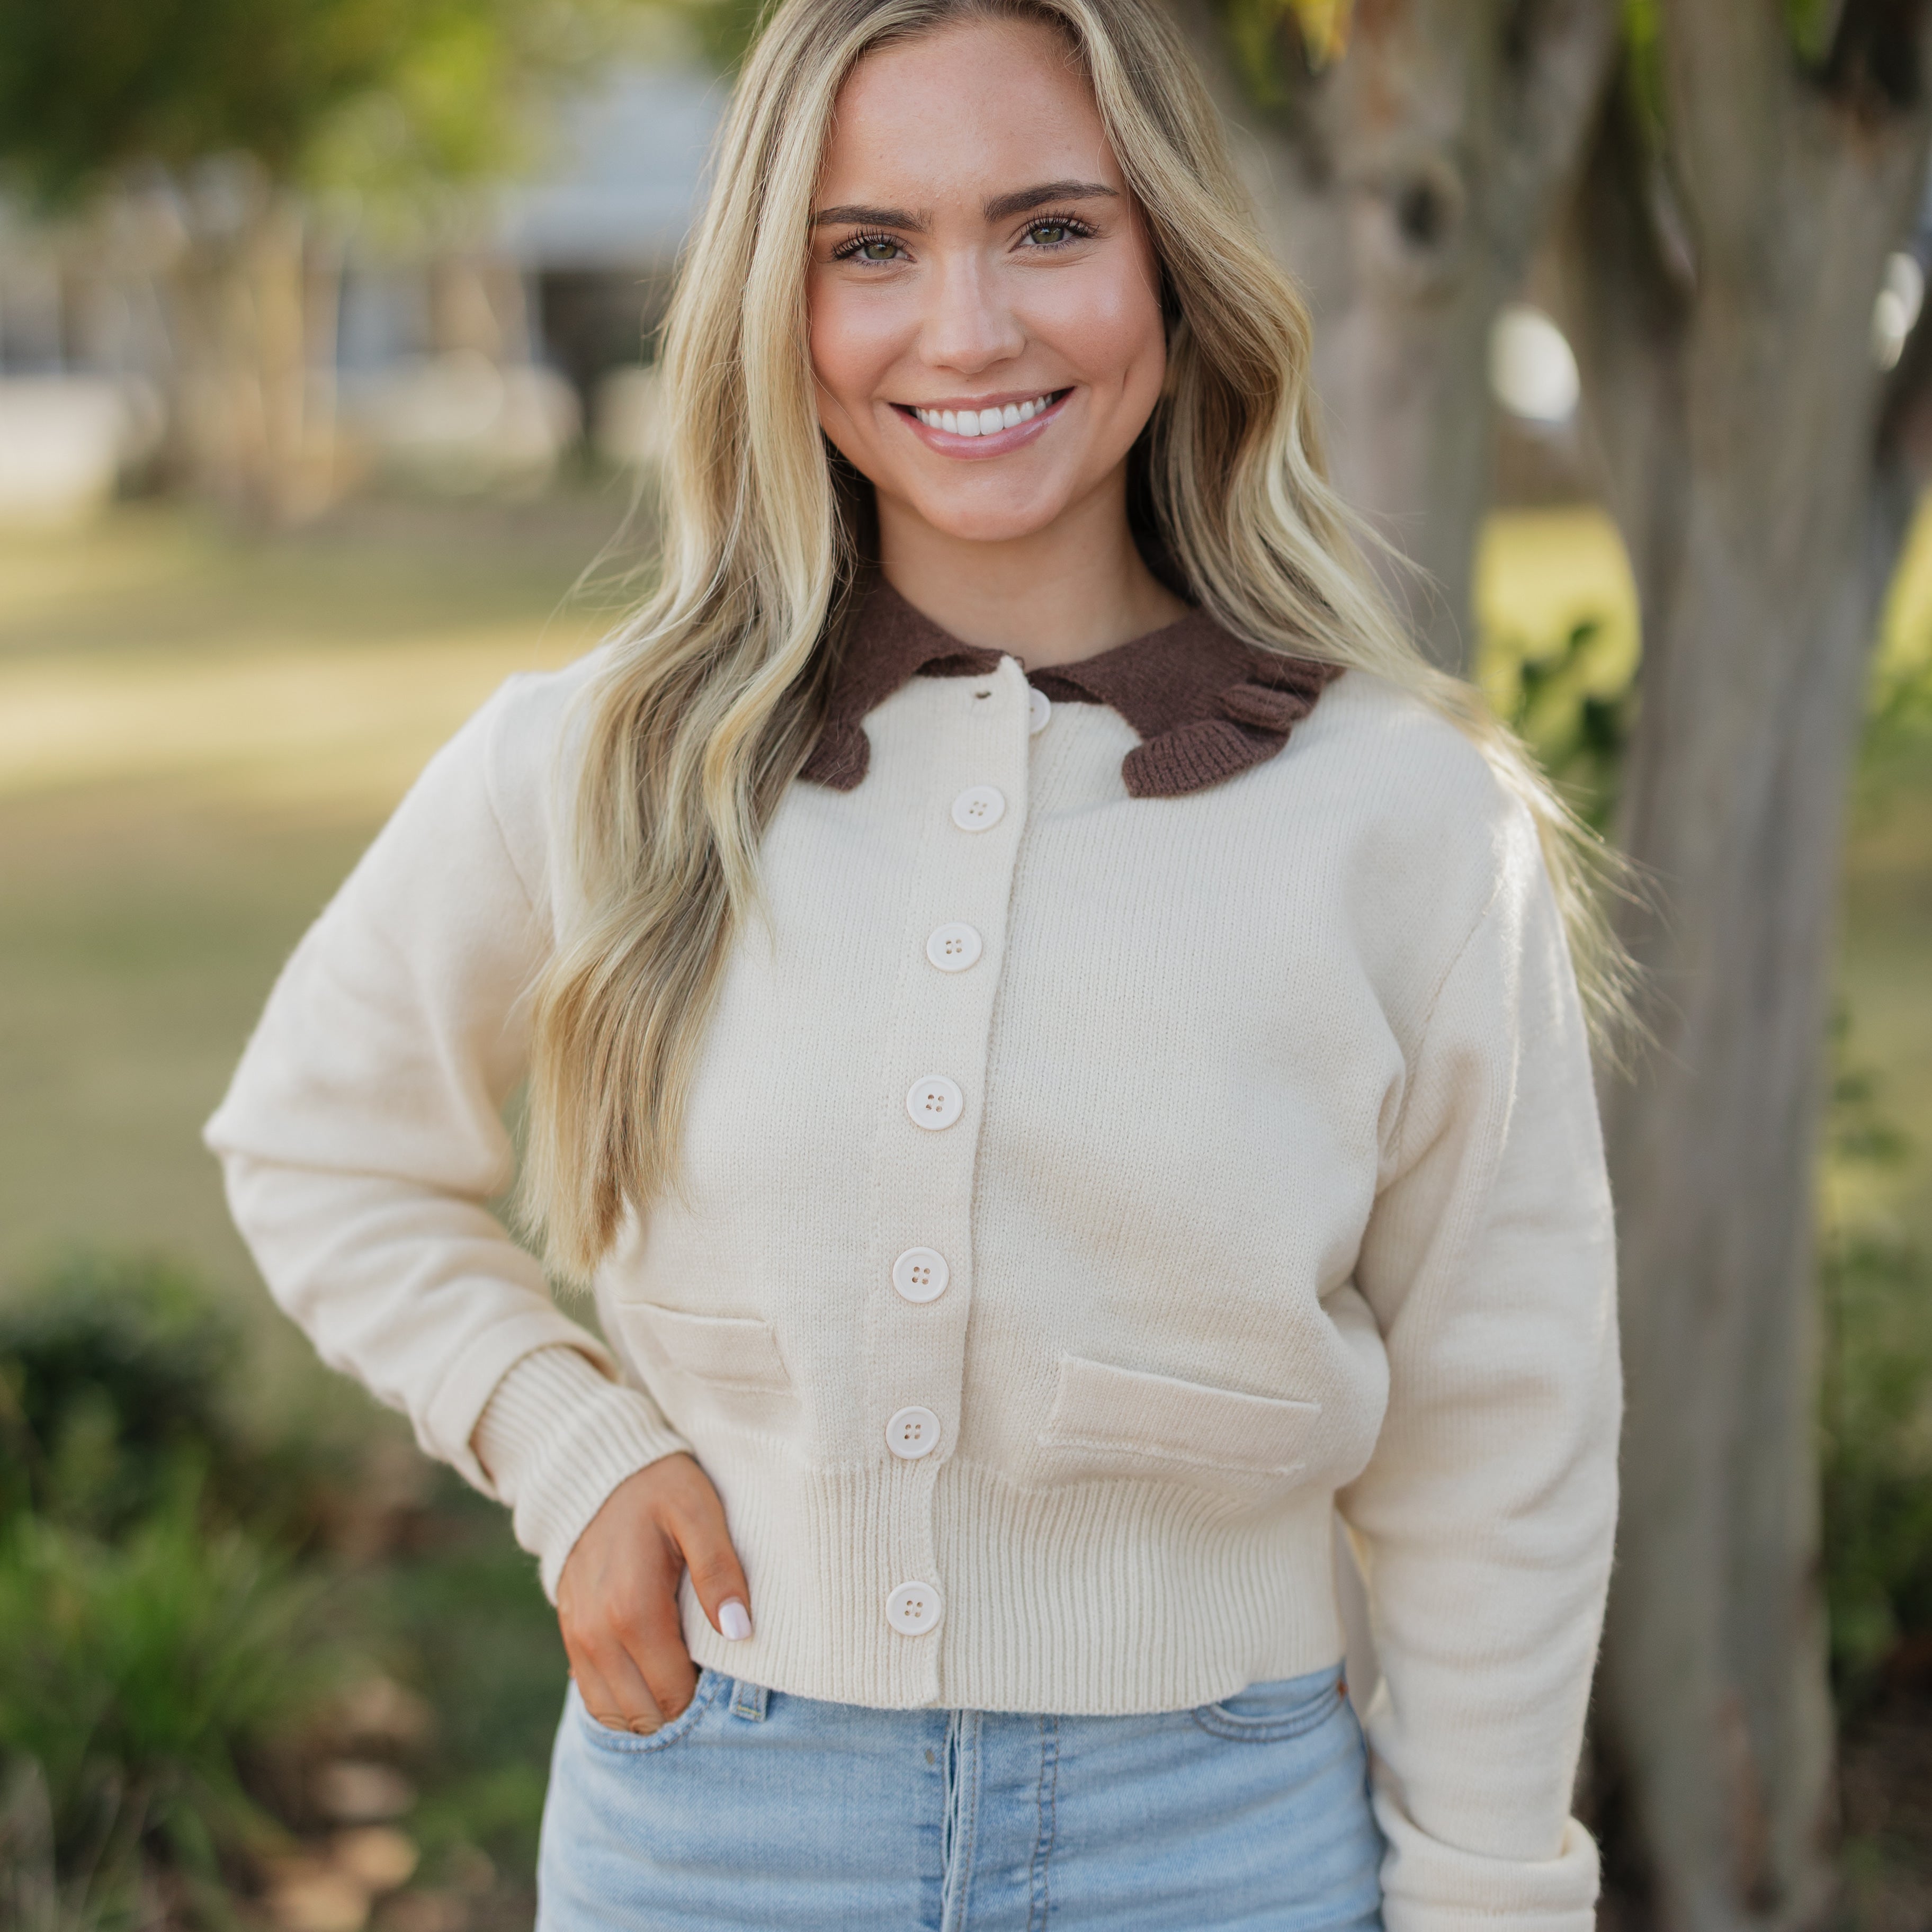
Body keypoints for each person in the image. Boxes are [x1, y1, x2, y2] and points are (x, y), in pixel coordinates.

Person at [207, 0, 1624, 1924]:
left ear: (1174, 268)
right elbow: (317, 1141)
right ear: (774, 315)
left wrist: (1489, 1898)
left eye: (1052, 228)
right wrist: (569, 1442)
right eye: (869, 249)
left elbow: (1502, 1440)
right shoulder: (603, 759)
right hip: (711, 1823)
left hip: (1227, 1843)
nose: (965, 330)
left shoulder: (1406, 821)